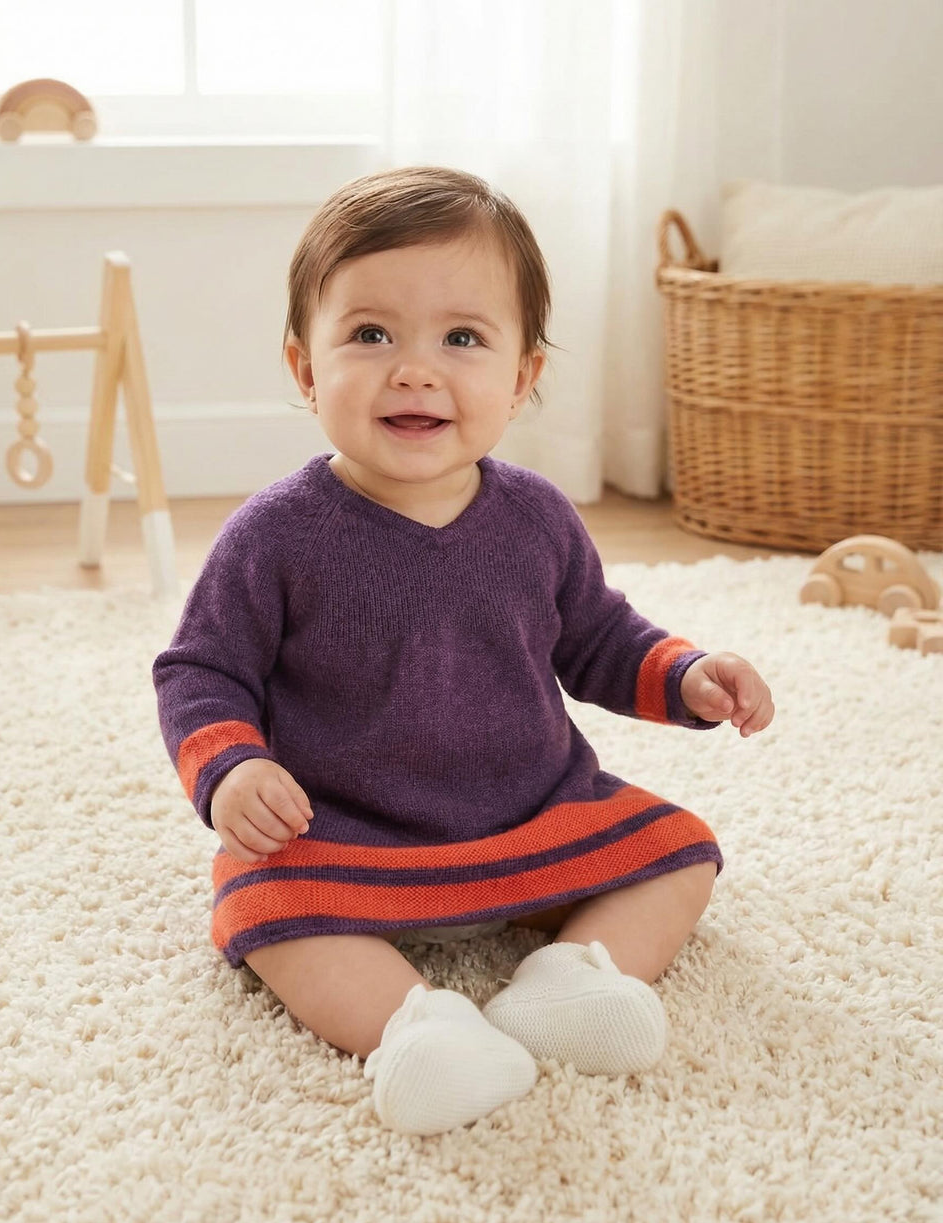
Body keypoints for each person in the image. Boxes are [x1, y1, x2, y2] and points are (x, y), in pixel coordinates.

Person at [153, 165, 774, 1137]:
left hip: (531, 810)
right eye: (371, 334)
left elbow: (599, 636)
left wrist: (687, 675)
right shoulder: (274, 535)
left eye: (462, 338)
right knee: (260, 903)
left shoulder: (537, 517)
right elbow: (201, 669)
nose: (414, 369)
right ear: (305, 369)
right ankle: (416, 1025)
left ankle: (571, 978)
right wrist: (233, 766)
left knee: (677, 851)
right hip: (344, 831)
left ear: (522, 377)